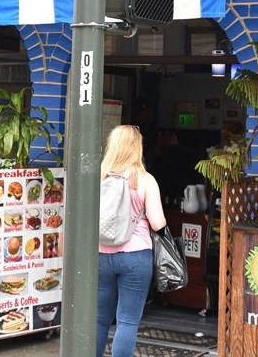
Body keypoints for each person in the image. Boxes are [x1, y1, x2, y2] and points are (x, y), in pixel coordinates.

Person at [97, 125, 167, 357]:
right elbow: (157, 223)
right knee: (127, 321)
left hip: (101, 255)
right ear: (137, 147)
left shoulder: (98, 177)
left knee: (99, 320)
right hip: (135, 256)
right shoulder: (145, 180)